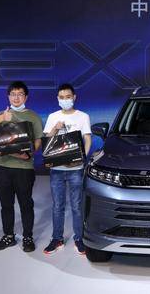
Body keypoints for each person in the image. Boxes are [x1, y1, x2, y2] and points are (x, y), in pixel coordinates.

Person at [0, 81, 43, 253]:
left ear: (26, 97)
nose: (16, 97)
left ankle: (28, 237)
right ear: (8, 96)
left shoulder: (33, 116)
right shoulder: (1, 114)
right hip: (3, 166)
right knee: (6, 204)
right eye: (13, 94)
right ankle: (8, 236)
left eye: (20, 94)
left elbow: (38, 140)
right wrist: (3, 118)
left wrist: (29, 153)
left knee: (26, 204)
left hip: (24, 168)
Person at [42, 84, 92, 256]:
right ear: (58, 99)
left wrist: (82, 159)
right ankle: (57, 239)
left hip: (76, 168)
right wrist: (55, 128)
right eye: (62, 97)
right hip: (57, 168)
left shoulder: (83, 116)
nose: (65, 100)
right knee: (58, 205)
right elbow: (47, 140)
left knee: (77, 206)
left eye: (68, 97)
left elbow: (87, 139)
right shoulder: (52, 116)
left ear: (74, 97)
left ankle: (79, 239)